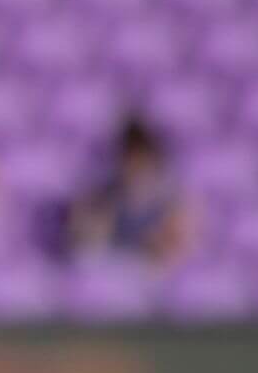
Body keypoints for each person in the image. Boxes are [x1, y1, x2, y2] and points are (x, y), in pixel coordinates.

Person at [65, 113, 192, 265]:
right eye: (130, 159)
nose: (135, 166)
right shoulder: (102, 195)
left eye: (141, 159)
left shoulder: (170, 198)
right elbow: (85, 243)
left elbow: (176, 251)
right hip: (111, 267)